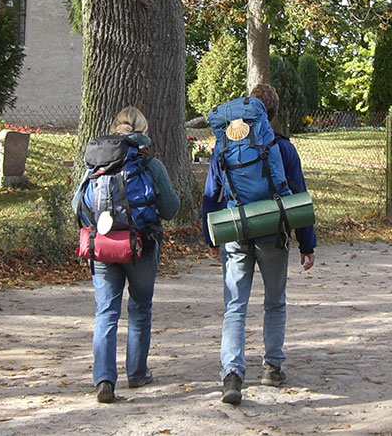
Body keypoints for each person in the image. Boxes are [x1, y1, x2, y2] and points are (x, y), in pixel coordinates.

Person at [202, 84, 316, 405]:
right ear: (273, 113)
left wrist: (211, 236)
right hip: (273, 233)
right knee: (274, 301)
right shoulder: (283, 148)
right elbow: (297, 196)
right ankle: (272, 367)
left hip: (236, 231)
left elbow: (212, 193)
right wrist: (307, 243)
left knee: (235, 305)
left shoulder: (224, 144)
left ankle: (232, 375)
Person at [72, 106, 179, 403]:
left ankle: (104, 380)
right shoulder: (149, 164)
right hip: (140, 247)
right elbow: (171, 209)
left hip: (103, 246)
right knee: (140, 308)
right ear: (143, 133)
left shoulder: (95, 163)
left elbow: (75, 206)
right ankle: (137, 373)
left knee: (106, 312)